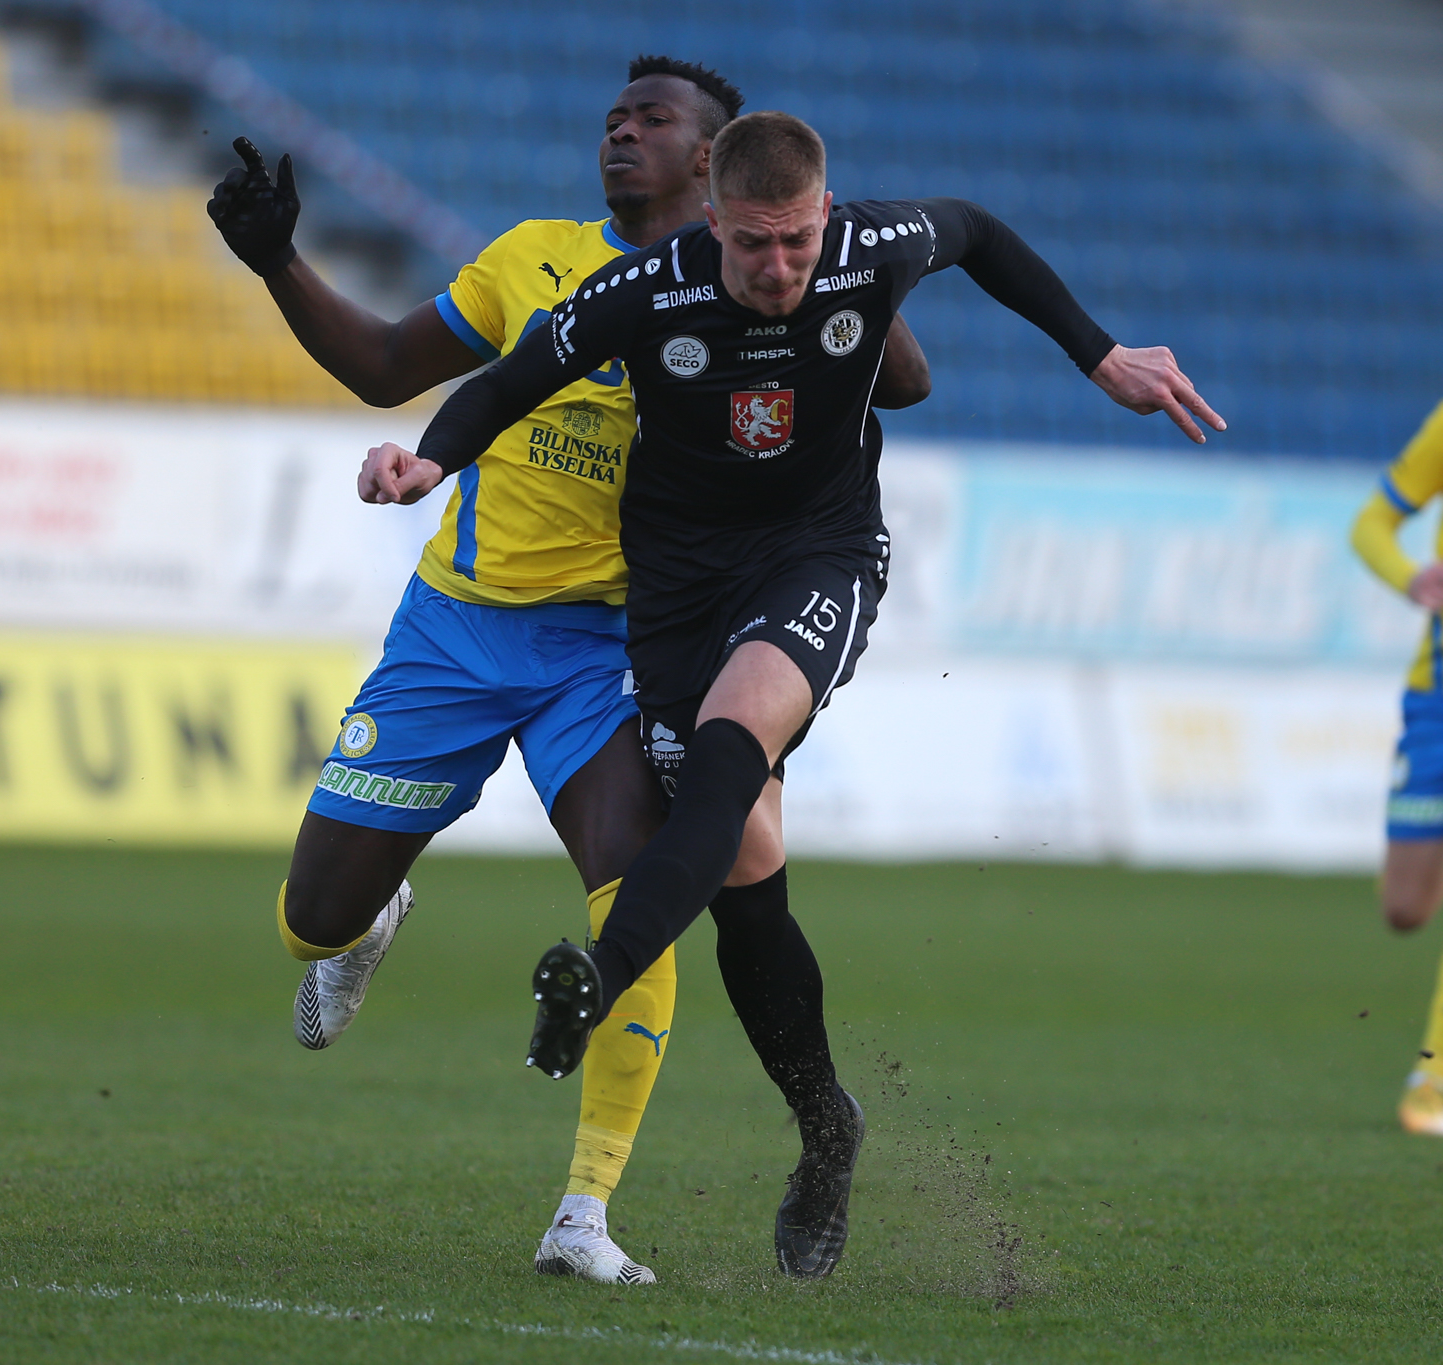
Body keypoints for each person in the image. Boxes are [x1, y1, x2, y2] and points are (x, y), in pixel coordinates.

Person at [381, 109, 1222, 1279]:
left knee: (729, 752)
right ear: (711, 220)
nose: (778, 267)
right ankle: (827, 1125)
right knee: (741, 871)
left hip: (815, 557)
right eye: (752, 243)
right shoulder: (646, 290)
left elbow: (978, 233)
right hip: (677, 594)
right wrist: (428, 458)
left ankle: (598, 974)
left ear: (823, 212)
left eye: (795, 240)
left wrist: (1098, 353)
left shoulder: (871, 247)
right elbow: (513, 378)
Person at [208, 64, 930, 1284]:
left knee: (640, 894)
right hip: (456, 629)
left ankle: (583, 1213)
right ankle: (367, 922)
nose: (620, 129)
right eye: (612, 116)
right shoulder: (529, 261)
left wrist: (825, 278)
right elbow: (386, 367)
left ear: (711, 160)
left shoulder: (758, 277)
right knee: (307, 920)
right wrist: (279, 261)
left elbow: (899, 379)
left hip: (614, 647)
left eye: (652, 118)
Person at [1348, 397, 1443, 1135]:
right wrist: (1413, 578)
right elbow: (1370, 524)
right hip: (1433, 696)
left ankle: (1431, 1080)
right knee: (1405, 909)